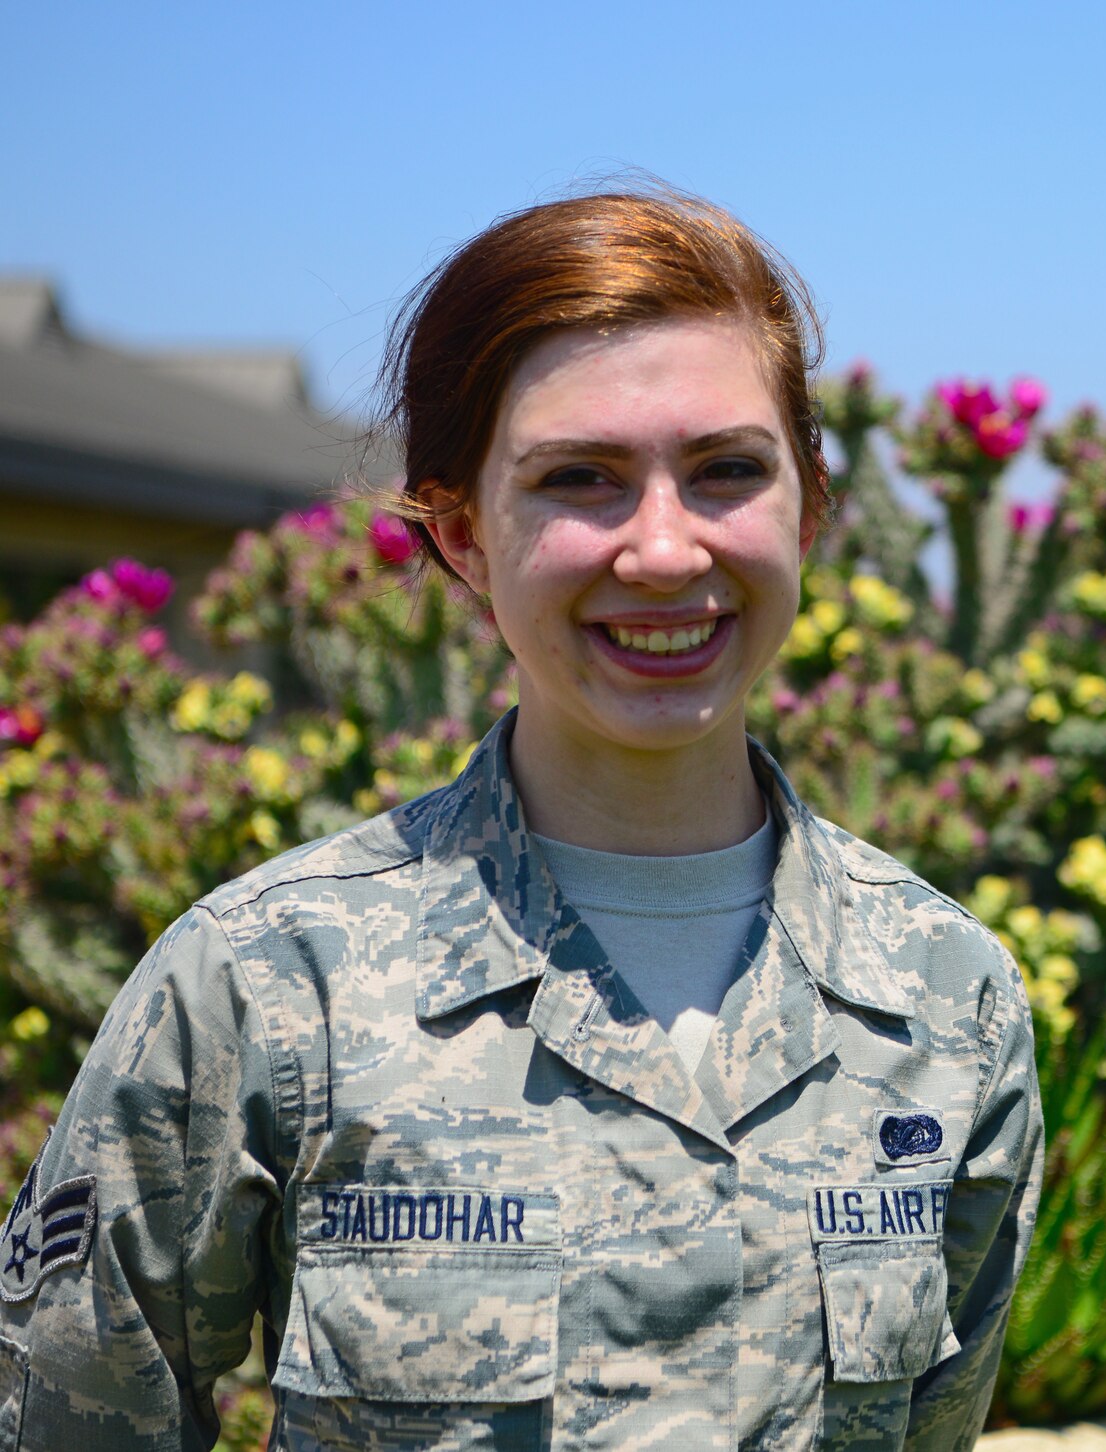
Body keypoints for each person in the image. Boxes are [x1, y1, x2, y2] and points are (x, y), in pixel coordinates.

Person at [0, 188, 1044, 1451]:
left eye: (726, 470)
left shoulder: (945, 996)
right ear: (459, 533)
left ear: (809, 507)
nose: (664, 551)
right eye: (579, 480)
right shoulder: (270, 987)